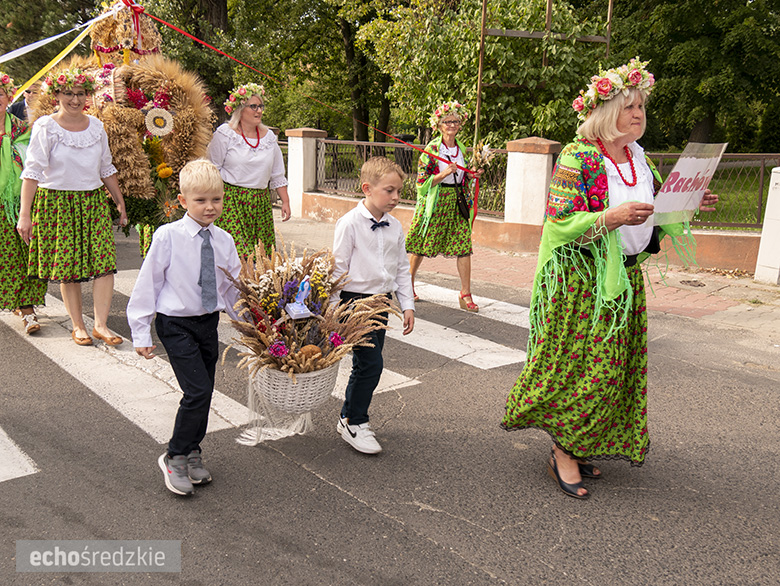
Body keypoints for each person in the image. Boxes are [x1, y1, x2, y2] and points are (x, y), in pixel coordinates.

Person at [501, 58, 718, 499]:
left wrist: (689, 204)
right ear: (604, 112)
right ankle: (564, 451)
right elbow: (559, 224)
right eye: (628, 106)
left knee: (611, 370)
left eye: (641, 106)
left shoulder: (639, 158)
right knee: (579, 370)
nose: (637, 114)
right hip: (581, 283)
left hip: (624, 282)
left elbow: (654, 217)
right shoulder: (576, 156)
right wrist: (610, 217)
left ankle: (578, 445)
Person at [127, 159, 242, 496]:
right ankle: (175, 455)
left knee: (204, 391)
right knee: (197, 391)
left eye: (216, 200)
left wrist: (251, 325)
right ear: (182, 201)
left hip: (208, 322)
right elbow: (148, 283)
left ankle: (193, 451)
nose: (210, 207)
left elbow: (232, 288)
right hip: (175, 324)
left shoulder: (224, 240)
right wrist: (140, 331)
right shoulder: (168, 237)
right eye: (201, 200)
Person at [17, 67, 127, 346]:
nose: (75, 100)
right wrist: (25, 215)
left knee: (104, 263)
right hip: (57, 202)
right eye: (69, 93)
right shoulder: (46, 126)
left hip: (92, 202)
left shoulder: (97, 127)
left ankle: (101, 324)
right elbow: (32, 172)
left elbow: (106, 167)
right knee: (69, 267)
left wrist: (119, 201)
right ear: (57, 94)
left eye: (80, 94)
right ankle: (78, 325)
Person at [332, 157, 415, 454]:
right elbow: (337, 268)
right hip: (355, 303)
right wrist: (332, 309)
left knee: (367, 363)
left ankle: (348, 417)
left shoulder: (394, 226)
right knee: (371, 365)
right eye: (389, 191)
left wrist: (407, 305)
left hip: (381, 302)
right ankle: (355, 421)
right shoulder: (349, 224)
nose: (396, 197)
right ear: (367, 188)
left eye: (398, 192)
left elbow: (402, 268)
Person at [405, 101, 482, 312]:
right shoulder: (432, 149)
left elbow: (464, 178)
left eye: (455, 121)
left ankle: (465, 293)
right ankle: (407, 285)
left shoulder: (462, 148)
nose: (452, 125)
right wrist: (443, 174)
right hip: (435, 202)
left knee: (464, 246)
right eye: (447, 121)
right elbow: (421, 184)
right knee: (421, 245)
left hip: (456, 203)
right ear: (439, 125)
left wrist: (472, 174)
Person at [207, 82, 290, 258]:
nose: (259, 111)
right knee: (237, 254)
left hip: (260, 203)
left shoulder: (269, 138)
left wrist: (286, 202)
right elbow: (213, 169)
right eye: (253, 106)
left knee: (262, 257)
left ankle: (256, 286)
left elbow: (277, 174)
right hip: (231, 201)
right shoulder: (225, 134)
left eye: (260, 106)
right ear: (240, 110)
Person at [0, 72, 47, 333]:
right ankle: (17, 301)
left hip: (20, 201)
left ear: (9, 96)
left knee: (28, 253)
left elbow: (36, 163)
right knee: (5, 256)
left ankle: (27, 309)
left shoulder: (23, 129)